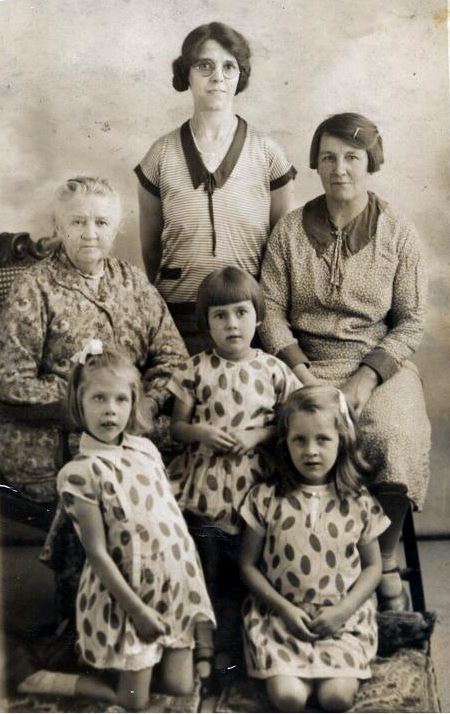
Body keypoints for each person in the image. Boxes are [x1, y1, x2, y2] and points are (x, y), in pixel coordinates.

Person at [258, 112, 430, 611]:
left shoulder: (397, 233)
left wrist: (366, 377)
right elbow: (270, 312)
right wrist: (301, 373)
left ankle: (385, 561)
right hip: (303, 363)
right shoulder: (289, 231)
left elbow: (412, 321)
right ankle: (298, 561)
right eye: (328, 157)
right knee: (270, 432)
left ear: (371, 163)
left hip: (377, 364)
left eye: (352, 157)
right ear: (315, 163)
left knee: (394, 433)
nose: (339, 169)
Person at [18, 343, 215, 711]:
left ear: (133, 402)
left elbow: (167, 517)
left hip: (173, 585)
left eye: (121, 399)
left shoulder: (146, 451)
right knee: (133, 701)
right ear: (79, 403)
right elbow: (96, 553)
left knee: (180, 685)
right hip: (127, 595)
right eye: (99, 398)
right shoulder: (81, 472)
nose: (110, 409)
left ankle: (141, 662)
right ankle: (54, 679)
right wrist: (137, 611)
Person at [0, 176, 188, 505]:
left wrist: (148, 402)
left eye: (101, 222)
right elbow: (11, 379)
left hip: (132, 421)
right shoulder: (34, 287)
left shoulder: (133, 282)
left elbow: (175, 359)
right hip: (60, 432)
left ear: (115, 229)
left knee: (198, 445)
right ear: (58, 227)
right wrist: (87, 401)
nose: (90, 233)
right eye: (77, 221)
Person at [167, 266, 301, 688]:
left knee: (252, 564)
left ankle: (251, 641)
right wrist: (201, 432)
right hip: (207, 481)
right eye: (220, 316)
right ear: (206, 324)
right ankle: (208, 644)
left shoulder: (273, 369)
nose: (232, 324)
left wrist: (258, 434)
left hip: (255, 484)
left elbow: (290, 425)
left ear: (257, 318)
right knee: (207, 564)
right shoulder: (194, 369)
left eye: (241, 313)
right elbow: (176, 428)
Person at [135, 21, 297, 354]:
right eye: (204, 66)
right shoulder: (160, 155)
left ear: (240, 75)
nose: (217, 77)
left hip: (248, 324)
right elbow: (151, 250)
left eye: (228, 67)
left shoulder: (268, 154)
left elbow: (282, 250)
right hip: (179, 323)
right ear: (187, 74)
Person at [240, 385, 390, 713]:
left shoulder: (358, 501)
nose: (311, 451)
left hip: (341, 619)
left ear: (342, 441)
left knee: (336, 698)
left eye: (323, 439)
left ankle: (337, 667)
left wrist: (343, 610)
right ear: (285, 443)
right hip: (282, 619)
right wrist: (283, 609)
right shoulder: (266, 497)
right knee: (289, 698)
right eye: (300, 440)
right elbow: (248, 566)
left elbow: (373, 567)